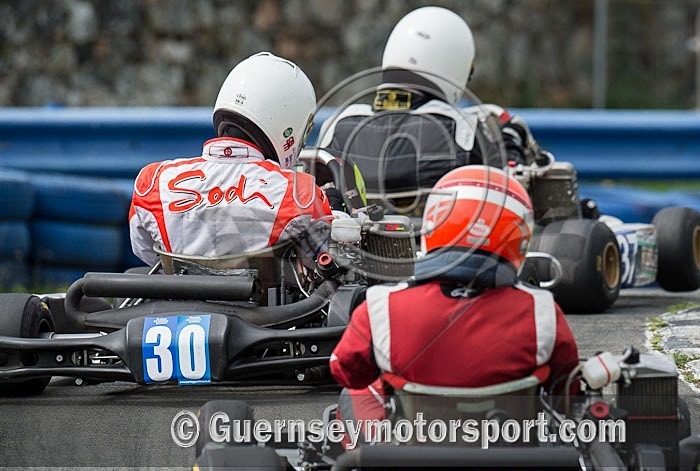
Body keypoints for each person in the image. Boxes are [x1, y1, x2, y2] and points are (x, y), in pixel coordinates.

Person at [329, 165, 580, 437]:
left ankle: (369, 468)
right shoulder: (540, 309)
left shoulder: (383, 305)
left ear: (434, 224)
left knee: (357, 389)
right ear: (517, 238)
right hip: (511, 453)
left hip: (413, 461)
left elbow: (347, 372)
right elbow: (566, 392)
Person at [317, 6, 550, 200]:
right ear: (458, 67)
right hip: (444, 249)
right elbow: (519, 197)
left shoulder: (336, 126)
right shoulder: (480, 126)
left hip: (351, 252)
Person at [129, 52, 334, 267]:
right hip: (264, 299)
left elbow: (146, 252)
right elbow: (325, 258)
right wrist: (335, 205)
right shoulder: (301, 194)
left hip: (177, 298)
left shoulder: (152, 182)